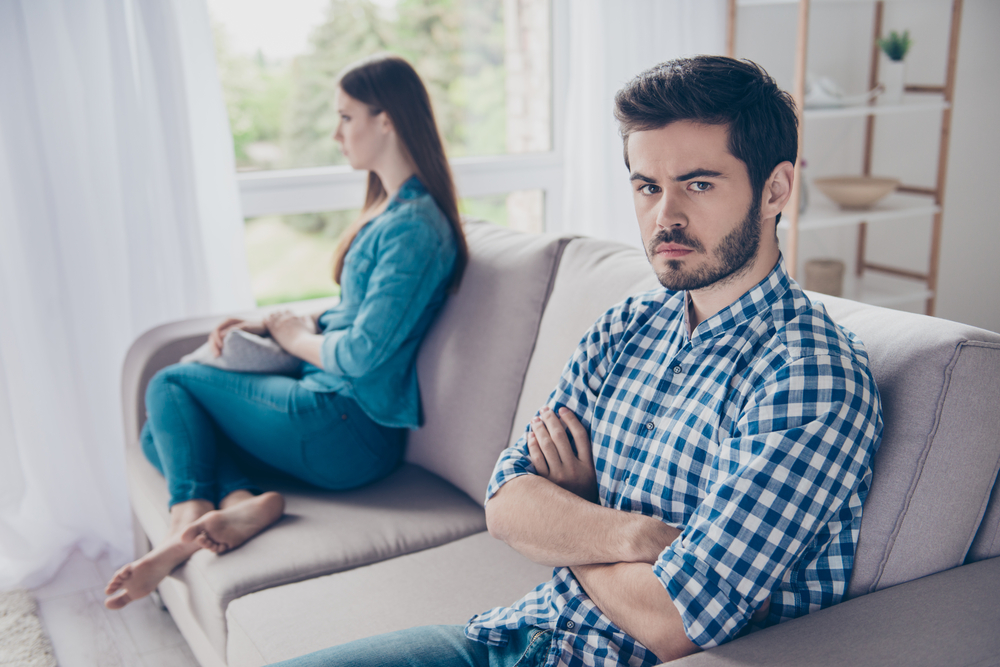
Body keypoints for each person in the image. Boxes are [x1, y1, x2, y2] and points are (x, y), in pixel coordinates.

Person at [267, 55, 884, 666]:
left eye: (698, 184)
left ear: (775, 188)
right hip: (513, 634)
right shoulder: (626, 325)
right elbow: (506, 502)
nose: (664, 215)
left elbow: (674, 623)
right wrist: (626, 533)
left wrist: (571, 518)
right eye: (647, 186)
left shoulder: (810, 375)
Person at [104, 54, 469, 611]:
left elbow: (363, 353)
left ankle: (185, 529)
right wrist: (273, 325)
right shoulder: (394, 213)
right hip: (333, 417)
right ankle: (244, 502)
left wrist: (296, 339)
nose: (336, 133)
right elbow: (359, 315)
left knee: (170, 386)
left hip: (348, 425)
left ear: (387, 119)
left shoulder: (416, 228)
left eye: (347, 118)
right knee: (163, 433)